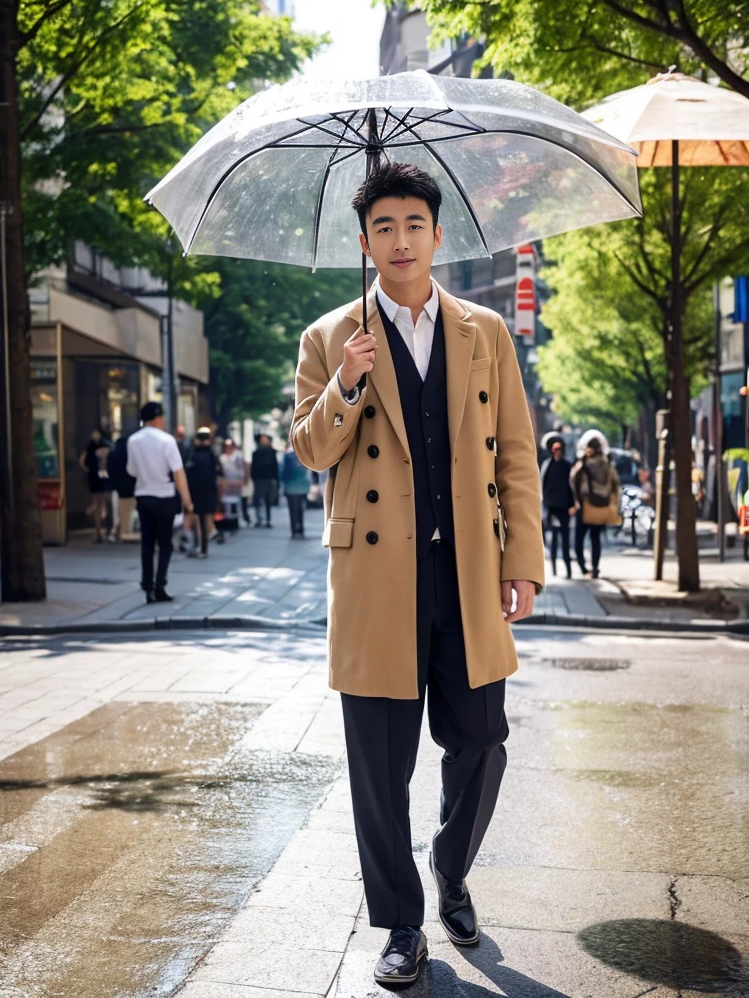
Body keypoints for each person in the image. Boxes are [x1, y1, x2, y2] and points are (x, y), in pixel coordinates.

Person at [291, 163, 544, 986]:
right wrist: (348, 382)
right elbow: (309, 450)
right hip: (374, 584)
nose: (400, 240)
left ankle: (450, 864)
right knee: (379, 769)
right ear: (364, 243)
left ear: (437, 235)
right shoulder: (331, 337)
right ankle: (401, 924)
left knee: (481, 742)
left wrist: (524, 563)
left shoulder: (486, 331)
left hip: (466, 573)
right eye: (384, 228)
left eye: (414, 224)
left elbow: (515, 456)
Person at [127, 401, 193, 602]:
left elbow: (131, 470)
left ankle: (147, 586)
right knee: (165, 544)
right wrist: (187, 501)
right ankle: (160, 585)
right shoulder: (167, 441)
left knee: (147, 544)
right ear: (157, 418)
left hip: (144, 494)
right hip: (164, 496)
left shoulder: (133, 440)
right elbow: (178, 472)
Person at [570, 434, 621, 578]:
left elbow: (573, 480)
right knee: (595, 538)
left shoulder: (584, 464)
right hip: (602, 505)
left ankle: (583, 567)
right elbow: (615, 483)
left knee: (578, 539)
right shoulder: (607, 464)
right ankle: (595, 567)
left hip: (585, 505)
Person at [185, 427, 223, 557]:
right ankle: (203, 549)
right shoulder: (212, 455)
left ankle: (196, 547)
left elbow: (189, 474)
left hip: (195, 491)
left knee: (196, 520)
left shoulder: (193, 455)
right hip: (209, 491)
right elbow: (219, 473)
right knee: (205, 520)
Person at [540, 438, 575, 578]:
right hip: (552, 507)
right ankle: (554, 568)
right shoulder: (547, 465)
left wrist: (572, 505)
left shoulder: (567, 465)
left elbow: (571, 487)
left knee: (565, 538)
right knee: (553, 538)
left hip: (564, 507)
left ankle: (568, 570)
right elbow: (543, 485)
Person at [79, 429, 112, 543]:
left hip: (94, 478)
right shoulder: (106, 447)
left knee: (97, 503)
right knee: (104, 503)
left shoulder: (89, 449)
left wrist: (90, 470)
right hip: (104, 477)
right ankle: (106, 530)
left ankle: (98, 531)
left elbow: (82, 462)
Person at [106, 434, 136, 542]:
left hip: (117, 488)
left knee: (118, 512)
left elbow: (109, 470)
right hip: (131, 488)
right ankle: (128, 532)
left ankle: (120, 531)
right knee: (130, 512)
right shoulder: (131, 455)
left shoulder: (113, 454)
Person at [281, 440, 311, 539]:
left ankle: (294, 530)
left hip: (290, 487)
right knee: (300, 509)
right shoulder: (305, 456)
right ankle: (301, 529)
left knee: (292, 510)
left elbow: (283, 472)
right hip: (303, 486)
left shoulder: (287, 456)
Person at [251, 433, 279, 528]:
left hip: (268, 478)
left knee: (268, 500)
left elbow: (275, 466)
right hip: (259, 479)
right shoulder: (256, 453)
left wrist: (275, 478)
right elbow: (254, 466)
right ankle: (259, 519)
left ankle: (267, 520)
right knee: (258, 499)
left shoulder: (272, 452)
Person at [219, 438, 247, 531]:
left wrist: (241, 481)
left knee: (237, 502)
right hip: (226, 483)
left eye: (230, 446)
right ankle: (228, 521)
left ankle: (238, 520)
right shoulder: (222, 458)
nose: (228, 448)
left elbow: (241, 469)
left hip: (236, 482)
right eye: (226, 446)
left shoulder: (237, 457)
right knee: (226, 503)